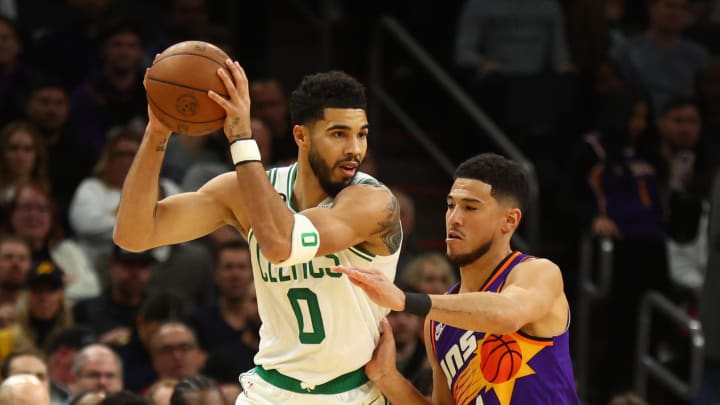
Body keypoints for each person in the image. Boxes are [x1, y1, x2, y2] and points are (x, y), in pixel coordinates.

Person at [114, 64, 402, 405]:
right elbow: (134, 234)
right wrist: (158, 131)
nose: (355, 148)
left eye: (362, 134)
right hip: (269, 392)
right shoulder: (248, 191)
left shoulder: (373, 202)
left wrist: (241, 138)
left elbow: (283, 243)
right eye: (339, 134)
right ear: (301, 136)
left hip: (351, 394)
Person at [336, 153, 580, 404]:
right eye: (451, 205)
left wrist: (404, 300)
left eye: (470, 207)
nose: (454, 219)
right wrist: (387, 376)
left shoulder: (536, 272)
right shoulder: (438, 322)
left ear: (510, 220)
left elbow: (507, 314)